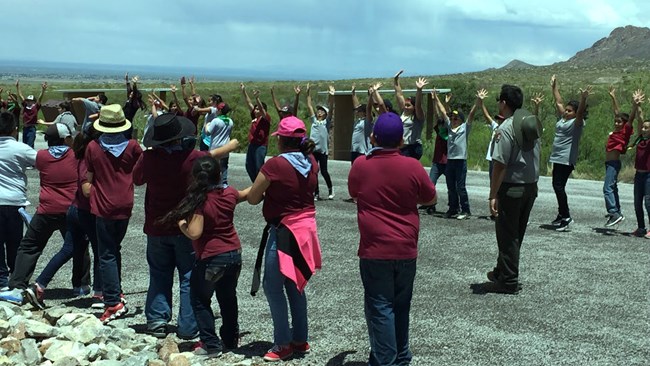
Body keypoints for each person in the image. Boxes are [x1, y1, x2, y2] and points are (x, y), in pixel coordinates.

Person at [133, 113, 239, 339]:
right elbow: (210, 164)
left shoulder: (148, 158)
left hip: (156, 224)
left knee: (159, 273)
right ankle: (189, 325)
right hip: (187, 225)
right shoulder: (193, 158)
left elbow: (137, 179)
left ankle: (157, 319)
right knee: (189, 276)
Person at [348, 112, 436, 366]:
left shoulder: (361, 165)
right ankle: (401, 355)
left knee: (380, 306)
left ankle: (385, 359)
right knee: (401, 305)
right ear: (401, 140)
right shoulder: (413, 166)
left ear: (373, 137)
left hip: (375, 249)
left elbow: (354, 192)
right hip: (406, 247)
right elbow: (431, 198)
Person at [247, 116, 321, 362]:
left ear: (281, 141)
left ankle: (282, 342)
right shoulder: (311, 161)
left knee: (272, 285)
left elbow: (253, 198)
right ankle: (300, 339)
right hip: (306, 229)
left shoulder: (275, 165)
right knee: (296, 283)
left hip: (284, 230)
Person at [158, 156, 249, 358]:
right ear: (218, 174)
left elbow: (195, 233)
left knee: (200, 300)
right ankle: (230, 339)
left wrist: (181, 224)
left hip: (211, 257)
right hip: (234, 254)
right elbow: (246, 194)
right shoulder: (229, 193)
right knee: (228, 297)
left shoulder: (200, 201)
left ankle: (211, 344)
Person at [0, 123, 77, 308]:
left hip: (46, 208)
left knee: (29, 246)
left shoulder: (43, 156)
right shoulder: (75, 156)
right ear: (67, 138)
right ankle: (80, 284)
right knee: (76, 246)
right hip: (68, 207)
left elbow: (39, 163)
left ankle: (15, 283)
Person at [84, 104, 143, 323]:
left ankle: (112, 301)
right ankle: (116, 290)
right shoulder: (133, 147)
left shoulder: (93, 147)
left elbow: (88, 177)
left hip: (103, 205)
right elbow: (140, 173)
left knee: (105, 253)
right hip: (125, 204)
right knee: (115, 249)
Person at [483, 84, 541, 295]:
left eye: (499, 100)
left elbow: (500, 164)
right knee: (516, 233)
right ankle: (501, 271)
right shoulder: (529, 122)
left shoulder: (505, 128)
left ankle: (508, 281)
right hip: (530, 187)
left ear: (504, 103)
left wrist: (492, 194)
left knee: (508, 235)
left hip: (511, 188)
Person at [549, 75, 591, 231]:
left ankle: (566, 217)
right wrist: (554, 87)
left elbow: (580, 113)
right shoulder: (564, 119)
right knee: (557, 186)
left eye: (569, 111)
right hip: (557, 157)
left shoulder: (577, 123)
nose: (566, 112)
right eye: (566, 110)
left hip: (566, 159)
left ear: (575, 113)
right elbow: (559, 102)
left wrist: (583, 99)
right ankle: (561, 214)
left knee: (558, 186)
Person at [0, 112, 37, 290]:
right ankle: (16, 277)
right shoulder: (21, 148)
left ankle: (1, 280)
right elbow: (41, 162)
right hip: (15, 201)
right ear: (15, 130)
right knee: (15, 241)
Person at [432, 88, 472, 219]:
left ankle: (465, 210)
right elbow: (443, 112)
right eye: (453, 118)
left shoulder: (465, 128)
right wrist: (436, 98)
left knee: (460, 186)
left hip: (460, 160)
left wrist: (478, 102)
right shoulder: (449, 128)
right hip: (450, 160)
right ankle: (453, 208)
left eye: (456, 118)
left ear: (461, 120)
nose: (454, 120)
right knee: (451, 186)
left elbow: (471, 114)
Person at [603, 87, 637, 227]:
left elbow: (631, 118)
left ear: (624, 125)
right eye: (615, 121)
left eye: (619, 122)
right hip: (609, 164)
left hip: (613, 163)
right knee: (613, 188)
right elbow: (617, 112)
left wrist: (635, 105)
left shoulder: (625, 132)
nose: (616, 123)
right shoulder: (617, 132)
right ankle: (617, 212)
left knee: (607, 188)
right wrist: (613, 97)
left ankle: (614, 213)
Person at [306, 83, 334, 200]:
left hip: (323, 151)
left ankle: (330, 190)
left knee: (324, 171)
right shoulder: (314, 121)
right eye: (319, 111)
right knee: (314, 172)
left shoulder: (326, 122)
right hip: (313, 150)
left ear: (325, 114)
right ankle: (316, 193)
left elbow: (331, 108)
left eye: (322, 111)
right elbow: (309, 106)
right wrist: (308, 93)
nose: (319, 112)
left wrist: (331, 95)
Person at [629, 93, 650, 238]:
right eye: (643, 128)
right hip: (639, 175)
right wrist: (636, 105)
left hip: (649, 175)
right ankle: (641, 228)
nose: (643, 129)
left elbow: (642, 118)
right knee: (637, 202)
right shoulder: (640, 140)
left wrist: (640, 108)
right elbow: (639, 119)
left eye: (647, 128)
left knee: (648, 202)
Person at [241, 84, 271, 182]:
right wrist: (244, 91)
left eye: (257, 108)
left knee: (259, 167)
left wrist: (257, 98)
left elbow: (262, 110)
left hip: (261, 146)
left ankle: (262, 186)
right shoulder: (254, 118)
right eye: (255, 109)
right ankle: (256, 185)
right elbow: (249, 102)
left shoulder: (266, 118)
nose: (256, 110)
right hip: (252, 145)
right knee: (249, 165)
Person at [394, 70, 426, 160]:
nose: (406, 107)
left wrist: (419, 90)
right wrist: (396, 80)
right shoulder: (403, 113)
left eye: (409, 105)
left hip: (412, 148)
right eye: (405, 105)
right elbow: (399, 94)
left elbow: (418, 105)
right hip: (402, 147)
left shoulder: (418, 117)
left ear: (414, 107)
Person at [203, 102, 234, 186]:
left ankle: (213, 184)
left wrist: (207, 125)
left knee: (213, 167)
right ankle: (224, 184)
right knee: (224, 167)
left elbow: (208, 132)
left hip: (215, 148)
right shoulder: (230, 121)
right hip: (225, 147)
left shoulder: (216, 121)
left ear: (220, 110)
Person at [16, 80, 47, 148]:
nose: (29, 102)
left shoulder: (35, 107)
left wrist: (43, 90)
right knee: (25, 145)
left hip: (31, 128)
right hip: (25, 128)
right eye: (28, 101)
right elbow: (21, 96)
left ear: (34, 101)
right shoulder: (25, 106)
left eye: (31, 101)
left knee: (29, 145)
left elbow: (40, 98)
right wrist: (17, 87)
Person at [349, 83, 373, 163]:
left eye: (359, 111)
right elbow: (356, 105)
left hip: (363, 151)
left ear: (364, 112)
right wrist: (353, 93)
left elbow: (369, 108)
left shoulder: (367, 121)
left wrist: (370, 96)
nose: (357, 112)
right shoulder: (358, 120)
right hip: (355, 149)